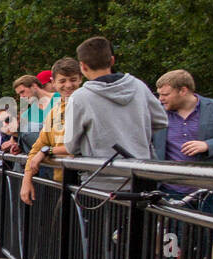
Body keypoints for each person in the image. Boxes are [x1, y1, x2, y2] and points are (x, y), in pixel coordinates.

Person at [60, 37, 167, 169]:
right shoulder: (139, 86)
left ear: (83, 66)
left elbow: (70, 145)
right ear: (112, 60)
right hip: (140, 173)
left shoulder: (80, 98)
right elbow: (161, 121)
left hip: (100, 178)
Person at [155, 69, 213, 215]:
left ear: (183, 91)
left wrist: (209, 145)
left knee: (211, 236)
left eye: (165, 94)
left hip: (212, 192)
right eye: (159, 94)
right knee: (175, 237)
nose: (160, 99)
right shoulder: (157, 113)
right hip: (171, 193)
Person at [20, 57, 82, 204]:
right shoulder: (53, 112)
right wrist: (26, 179)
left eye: (73, 80)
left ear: (80, 79)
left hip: (86, 184)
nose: (68, 85)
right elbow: (38, 146)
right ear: (53, 83)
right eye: (62, 81)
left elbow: (78, 147)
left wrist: (47, 152)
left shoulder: (87, 106)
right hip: (62, 183)